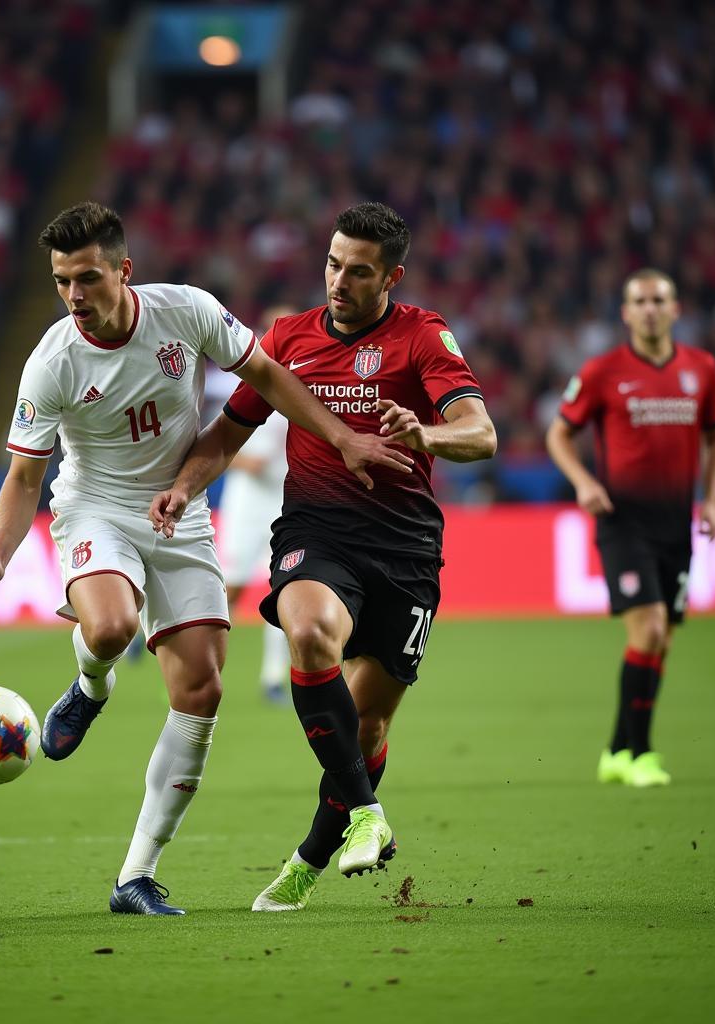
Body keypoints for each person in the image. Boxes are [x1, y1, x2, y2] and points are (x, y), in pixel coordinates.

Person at [0, 201, 411, 916]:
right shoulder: (51, 361)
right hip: (95, 509)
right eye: (60, 282)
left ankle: (134, 876)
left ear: (123, 271)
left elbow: (268, 375)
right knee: (110, 625)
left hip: (181, 510)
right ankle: (91, 682)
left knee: (200, 691)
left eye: (87, 278)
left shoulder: (187, 313)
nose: (74, 296)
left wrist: (341, 436)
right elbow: (23, 477)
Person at [150, 201, 497, 911]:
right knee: (307, 633)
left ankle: (311, 856)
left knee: (366, 727)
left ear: (391, 277)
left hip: (405, 549)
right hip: (318, 531)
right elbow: (226, 433)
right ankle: (369, 816)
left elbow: (481, 434)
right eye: (334, 263)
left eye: (359, 271)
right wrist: (185, 487)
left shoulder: (422, 337)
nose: (339, 280)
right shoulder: (288, 338)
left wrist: (426, 437)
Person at [546, 268, 715, 788]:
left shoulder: (702, 369)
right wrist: (583, 482)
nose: (650, 308)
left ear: (676, 309)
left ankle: (616, 749)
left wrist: (713, 500)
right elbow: (559, 433)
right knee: (647, 630)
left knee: (661, 642)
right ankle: (642, 754)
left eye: (659, 300)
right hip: (622, 521)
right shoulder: (604, 371)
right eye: (640, 301)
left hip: (676, 523)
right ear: (626, 313)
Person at [217, 306, 295, 703]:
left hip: (282, 497)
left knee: (281, 587)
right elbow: (222, 443)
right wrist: (248, 460)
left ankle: (273, 679)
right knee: (231, 588)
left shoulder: (304, 382)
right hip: (246, 498)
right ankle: (201, 664)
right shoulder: (248, 381)